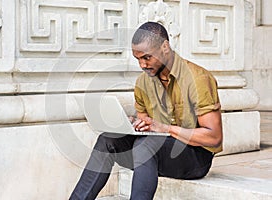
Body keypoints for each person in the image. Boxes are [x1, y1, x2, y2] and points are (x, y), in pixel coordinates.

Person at [69, 21, 223, 200]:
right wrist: (133, 124)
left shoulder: (198, 79)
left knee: (147, 145)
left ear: (165, 47)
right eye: (138, 59)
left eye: (147, 58)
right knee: (107, 139)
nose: (142, 64)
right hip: (156, 151)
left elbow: (213, 137)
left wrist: (165, 128)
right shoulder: (143, 83)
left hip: (195, 158)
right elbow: (146, 128)